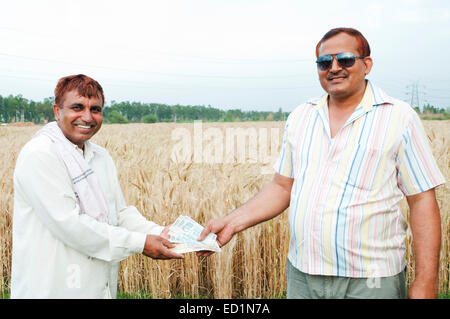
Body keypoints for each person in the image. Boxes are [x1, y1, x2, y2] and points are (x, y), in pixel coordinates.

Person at [198, 28, 445, 299]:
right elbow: (282, 187)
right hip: (304, 276)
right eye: (324, 62)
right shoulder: (302, 116)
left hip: (371, 279)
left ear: (367, 64)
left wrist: (426, 281)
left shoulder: (399, 117)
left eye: (346, 59)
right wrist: (232, 222)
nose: (334, 68)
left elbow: (422, 200)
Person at [11, 74, 183, 299]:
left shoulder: (100, 157)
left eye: (95, 109)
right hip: (51, 288)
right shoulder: (41, 154)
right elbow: (70, 225)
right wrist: (141, 243)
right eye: (77, 107)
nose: (87, 116)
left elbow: (118, 214)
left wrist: (162, 233)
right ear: (56, 111)